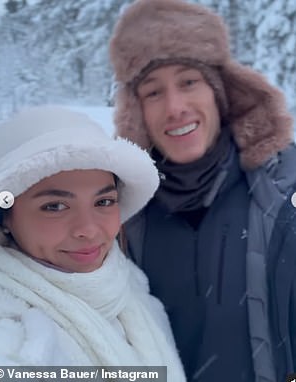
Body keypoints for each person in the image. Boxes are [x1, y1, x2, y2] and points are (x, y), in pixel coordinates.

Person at [109, 0, 296, 381]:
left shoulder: (285, 192)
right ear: (136, 110)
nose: (175, 107)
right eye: (153, 92)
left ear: (219, 92)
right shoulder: (118, 211)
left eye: (189, 82)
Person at [0, 105, 186, 382]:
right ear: (4, 217)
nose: (89, 230)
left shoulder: (129, 285)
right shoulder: (10, 330)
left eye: (103, 201)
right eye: (55, 206)